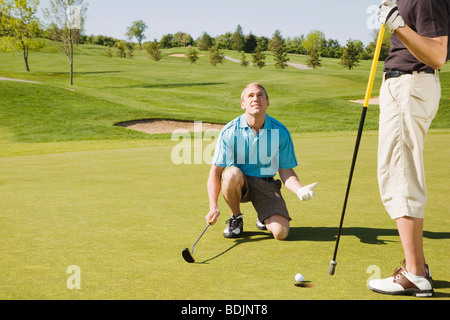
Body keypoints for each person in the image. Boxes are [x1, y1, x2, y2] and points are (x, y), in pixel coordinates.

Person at [368, 0, 449, 297]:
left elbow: (438, 54)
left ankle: (414, 273)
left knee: (400, 177)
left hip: (409, 86)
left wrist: (397, 24)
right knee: (401, 174)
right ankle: (417, 267)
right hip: (406, 87)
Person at [205, 83, 317, 241]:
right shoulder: (230, 131)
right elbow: (216, 172)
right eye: (250, 96)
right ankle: (236, 218)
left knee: (281, 233)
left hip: (266, 184)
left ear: (267, 102)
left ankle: (263, 216)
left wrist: (299, 190)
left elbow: (286, 171)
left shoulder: (280, 131)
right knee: (231, 173)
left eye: (260, 95)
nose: (255, 99)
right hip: (239, 182)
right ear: (243, 104)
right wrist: (213, 206)